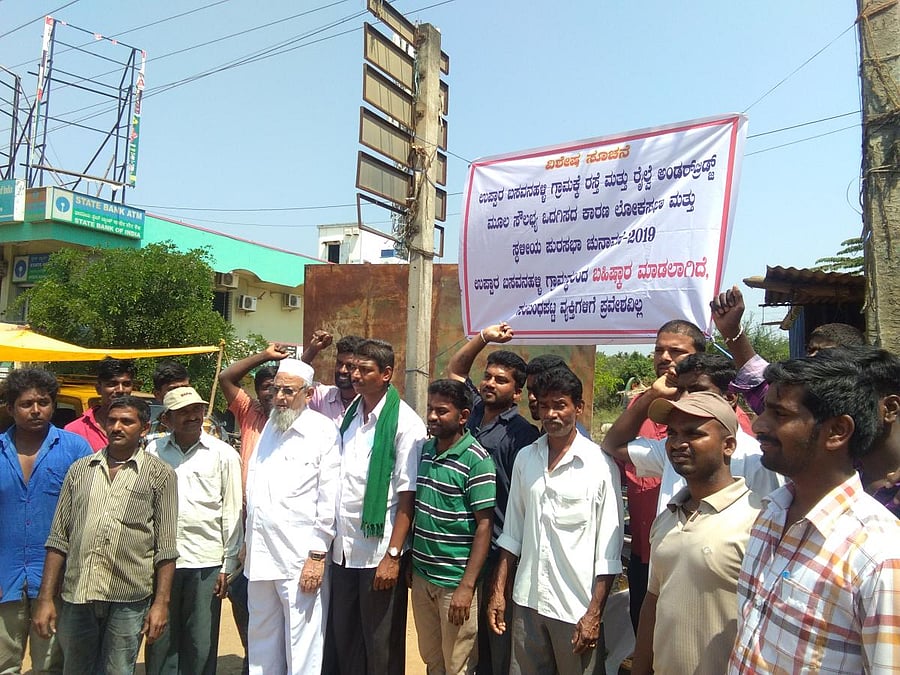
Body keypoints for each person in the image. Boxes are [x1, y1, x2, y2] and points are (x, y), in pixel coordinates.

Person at [729, 354, 900, 673]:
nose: (758, 425)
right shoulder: (770, 515)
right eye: (765, 409)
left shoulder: (879, 557)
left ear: (836, 431)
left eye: (779, 414)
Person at [488, 367, 623, 675]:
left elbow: (609, 554)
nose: (551, 414)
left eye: (559, 405)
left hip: (575, 609)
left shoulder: (600, 466)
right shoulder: (526, 458)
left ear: (578, 407)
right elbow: (512, 534)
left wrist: (593, 615)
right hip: (527, 602)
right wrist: (499, 593)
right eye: (545, 405)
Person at [32, 396, 178, 674]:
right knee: (75, 668)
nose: (117, 427)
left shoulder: (160, 475)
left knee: (118, 670)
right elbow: (58, 539)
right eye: (112, 421)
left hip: (129, 598)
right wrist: (46, 598)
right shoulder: (80, 470)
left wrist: (161, 603)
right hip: (78, 594)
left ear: (144, 428)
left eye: (127, 421)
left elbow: (166, 547)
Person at [631, 391, 763, 675]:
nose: (678, 443)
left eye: (693, 434)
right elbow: (652, 606)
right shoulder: (667, 518)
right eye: (673, 433)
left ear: (728, 445)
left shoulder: (756, 521)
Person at [446, 323, 540, 675]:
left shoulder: (522, 434)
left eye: (501, 380)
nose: (489, 383)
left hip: (499, 547)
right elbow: (456, 370)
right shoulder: (469, 411)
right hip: (461, 545)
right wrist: (483, 337)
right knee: (461, 637)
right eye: (487, 376)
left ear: (517, 393)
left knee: (495, 636)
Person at [331, 339, 426, 675]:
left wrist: (393, 555)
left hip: (377, 552)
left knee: (380, 643)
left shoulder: (404, 424)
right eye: (353, 368)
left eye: (364, 369)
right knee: (345, 637)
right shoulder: (351, 417)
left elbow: (407, 496)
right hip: (342, 550)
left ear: (386, 374)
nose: (354, 375)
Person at [243, 358, 341, 674]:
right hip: (261, 554)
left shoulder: (323, 431)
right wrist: (247, 539)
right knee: (261, 638)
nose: (280, 397)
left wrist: (316, 555)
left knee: (303, 644)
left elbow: (329, 498)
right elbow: (255, 484)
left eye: (289, 390)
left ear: (309, 394)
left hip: (299, 559)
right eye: (276, 390)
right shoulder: (271, 426)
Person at [601, 353, 781, 516]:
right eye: (681, 390)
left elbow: (765, 527)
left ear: (729, 397)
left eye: (697, 390)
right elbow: (613, 445)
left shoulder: (755, 460)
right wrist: (652, 395)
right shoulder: (673, 449)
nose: (685, 398)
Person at [145, 386, 243, 675]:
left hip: (207, 561)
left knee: (201, 642)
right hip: (163, 560)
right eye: (183, 412)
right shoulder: (154, 451)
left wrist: (228, 564)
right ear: (167, 419)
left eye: (196, 410)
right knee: (160, 637)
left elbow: (232, 511)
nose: (192, 417)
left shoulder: (223, 454)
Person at [0, 369, 92, 674]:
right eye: (26, 404)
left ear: (53, 405)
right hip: (4, 580)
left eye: (44, 402)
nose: (36, 410)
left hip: (55, 583)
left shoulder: (76, 450)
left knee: (50, 666)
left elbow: (88, 513)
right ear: (10, 407)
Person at [616, 320, 704, 632]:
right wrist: (647, 400)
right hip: (643, 557)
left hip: (694, 565)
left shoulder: (717, 421)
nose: (665, 357)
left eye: (676, 351)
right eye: (659, 350)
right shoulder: (642, 413)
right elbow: (613, 446)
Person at [411, 379, 495, 675]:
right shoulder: (424, 452)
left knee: (458, 665)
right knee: (432, 660)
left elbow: (484, 526)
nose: (432, 417)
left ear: (463, 416)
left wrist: (466, 587)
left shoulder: (478, 461)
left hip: (455, 583)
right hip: (422, 577)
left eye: (441, 411)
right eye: (430, 409)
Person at [218, 342, 285, 670]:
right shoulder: (250, 413)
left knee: (279, 599)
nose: (271, 392)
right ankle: (252, 657)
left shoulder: (295, 420)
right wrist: (265, 355)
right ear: (257, 393)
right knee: (242, 595)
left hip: (281, 530)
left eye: (277, 386)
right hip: (245, 527)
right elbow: (227, 377)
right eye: (264, 387)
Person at [710, 284, 865, 414]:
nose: (812, 357)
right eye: (810, 350)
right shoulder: (791, 401)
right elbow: (756, 377)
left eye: (824, 353)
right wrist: (731, 330)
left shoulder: (863, 409)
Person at [64, 357, 136, 451]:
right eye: (112, 384)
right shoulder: (75, 431)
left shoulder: (139, 427)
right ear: (98, 388)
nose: (120, 390)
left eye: (126, 384)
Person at [301, 330, 365, 423]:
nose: (342, 370)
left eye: (350, 366)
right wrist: (312, 350)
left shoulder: (368, 402)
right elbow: (296, 378)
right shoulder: (323, 397)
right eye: (339, 363)